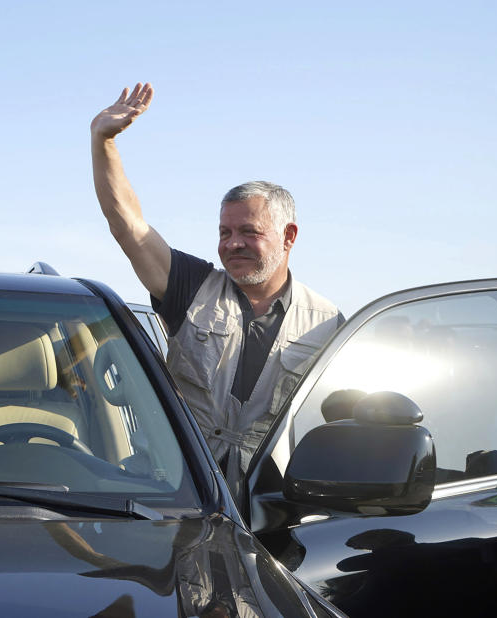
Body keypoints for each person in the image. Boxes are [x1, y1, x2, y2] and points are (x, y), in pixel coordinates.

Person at [90, 83, 343, 493]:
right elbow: (128, 226)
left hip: (272, 503)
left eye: (248, 231)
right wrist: (103, 142)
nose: (232, 244)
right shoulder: (191, 286)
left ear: (288, 236)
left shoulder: (329, 322)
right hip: (180, 489)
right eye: (224, 232)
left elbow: (341, 425)